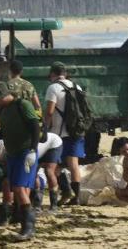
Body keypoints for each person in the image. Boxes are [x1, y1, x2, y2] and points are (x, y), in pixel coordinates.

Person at [0, 81, 40, 240]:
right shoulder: (4, 109)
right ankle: (23, 220)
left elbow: (35, 127)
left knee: (17, 187)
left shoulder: (23, 105)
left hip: (25, 151)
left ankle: (29, 227)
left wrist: (33, 150)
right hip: (12, 153)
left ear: (0, 96)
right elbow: (7, 130)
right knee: (20, 187)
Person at [44, 61, 86, 206]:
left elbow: (49, 111)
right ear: (65, 73)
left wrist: (44, 127)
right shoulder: (76, 86)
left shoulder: (53, 88)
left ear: (52, 74)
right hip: (76, 129)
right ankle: (76, 197)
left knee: (54, 165)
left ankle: (66, 191)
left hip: (59, 132)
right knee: (73, 163)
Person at [36, 132, 63, 212]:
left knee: (49, 171)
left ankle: (54, 205)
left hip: (53, 143)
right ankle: (37, 204)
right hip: (39, 150)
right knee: (33, 173)